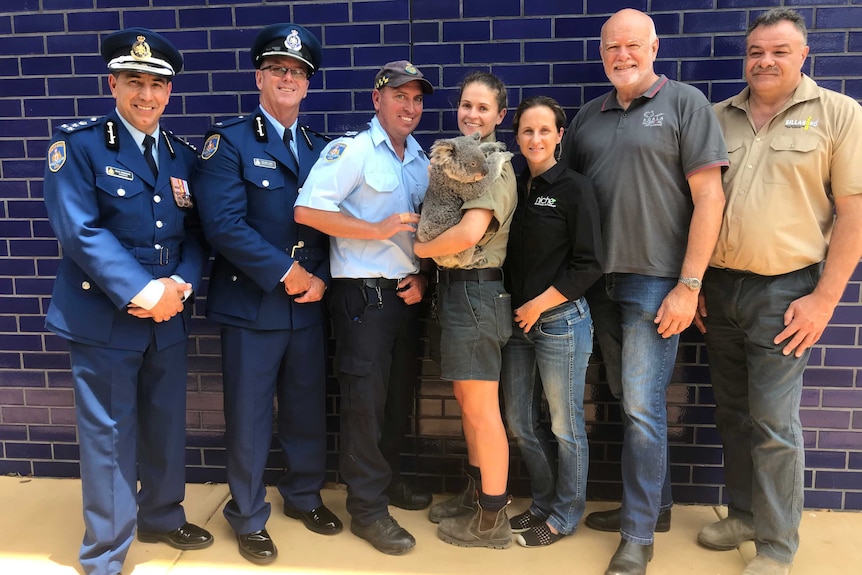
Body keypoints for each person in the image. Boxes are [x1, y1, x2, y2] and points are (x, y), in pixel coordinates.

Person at [560, 9, 728, 575]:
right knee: (626, 396)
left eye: (634, 45)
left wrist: (689, 284)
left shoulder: (685, 103)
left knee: (640, 406)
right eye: (613, 47)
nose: (623, 55)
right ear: (601, 52)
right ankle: (653, 508)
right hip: (599, 284)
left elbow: (710, 198)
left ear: (654, 47)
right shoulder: (587, 118)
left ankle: (637, 536)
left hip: (656, 282)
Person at [695, 9, 862, 575]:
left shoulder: (839, 115)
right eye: (755, 52)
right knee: (733, 414)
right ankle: (743, 514)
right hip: (719, 289)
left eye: (779, 51)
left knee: (773, 423)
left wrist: (823, 301)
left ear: (803, 55)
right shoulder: (717, 118)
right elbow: (694, 208)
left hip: (786, 294)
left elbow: (854, 218)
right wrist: (693, 284)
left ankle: (775, 546)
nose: (764, 61)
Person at [42, 27, 212, 575]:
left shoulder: (182, 154)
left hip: (168, 316)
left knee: (166, 424)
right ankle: (106, 554)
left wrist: (178, 289)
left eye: (158, 84)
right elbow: (80, 232)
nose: (147, 95)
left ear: (170, 91)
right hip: (104, 318)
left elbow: (196, 235)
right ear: (112, 84)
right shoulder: (80, 145)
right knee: (110, 437)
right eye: (134, 82)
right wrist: (145, 292)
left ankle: (162, 515)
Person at [192, 24, 339, 565]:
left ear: (308, 84)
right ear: (259, 76)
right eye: (278, 68)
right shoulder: (227, 142)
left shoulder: (321, 148)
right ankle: (249, 515)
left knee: (305, 410)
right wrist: (288, 273)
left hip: (306, 308)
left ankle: (302, 496)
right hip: (252, 306)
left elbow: (328, 223)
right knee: (250, 417)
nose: (288, 78)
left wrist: (319, 275)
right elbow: (224, 226)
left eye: (298, 72)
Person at [294, 60, 434, 555]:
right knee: (364, 406)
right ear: (378, 99)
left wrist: (422, 276)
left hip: (403, 295)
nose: (410, 107)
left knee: (397, 400)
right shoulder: (351, 150)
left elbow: (423, 231)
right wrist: (375, 231)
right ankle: (367, 509)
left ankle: (387, 481)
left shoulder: (421, 159)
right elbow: (308, 210)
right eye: (400, 96)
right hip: (361, 299)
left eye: (417, 99)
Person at [413, 71, 517, 549]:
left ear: (500, 116)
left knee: (482, 410)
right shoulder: (459, 159)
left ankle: (492, 517)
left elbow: (469, 234)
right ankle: (477, 494)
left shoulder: (494, 165)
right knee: (467, 404)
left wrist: (419, 246)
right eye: (466, 105)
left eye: (483, 108)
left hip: (476, 293)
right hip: (457, 291)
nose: (472, 115)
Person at [501, 96, 604, 548]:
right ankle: (542, 502)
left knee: (565, 426)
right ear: (517, 137)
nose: (536, 138)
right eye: (527, 131)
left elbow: (590, 263)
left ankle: (564, 515)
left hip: (560, 320)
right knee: (520, 420)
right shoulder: (514, 187)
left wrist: (539, 304)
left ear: (560, 136)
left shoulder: (575, 188)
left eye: (545, 130)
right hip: (518, 324)